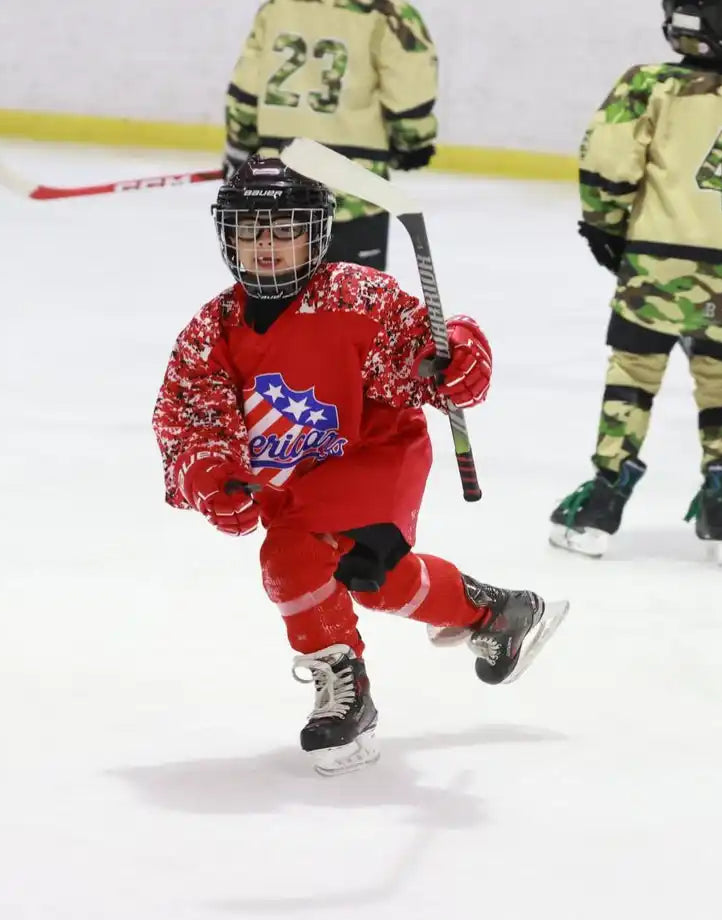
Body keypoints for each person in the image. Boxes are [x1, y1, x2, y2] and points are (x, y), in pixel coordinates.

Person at [152, 156, 568, 776]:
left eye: (284, 229)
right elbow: (191, 418)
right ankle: (495, 612)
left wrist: (452, 359)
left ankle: (345, 696)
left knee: (293, 557)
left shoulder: (356, 297)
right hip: (294, 478)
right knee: (370, 579)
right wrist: (209, 475)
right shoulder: (212, 329)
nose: (266, 246)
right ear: (227, 236)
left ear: (317, 233)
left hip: (374, 453)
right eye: (250, 230)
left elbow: (416, 345)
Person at [548, 0, 722, 559]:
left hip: (655, 264)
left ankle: (602, 502)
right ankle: (721, 496)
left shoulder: (647, 85)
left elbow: (608, 163)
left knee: (633, 375)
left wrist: (607, 232)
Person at [222, 0, 439, 270]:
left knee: (279, 306)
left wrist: (240, 151)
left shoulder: (276, 8)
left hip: (277, 200)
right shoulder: (386, 13)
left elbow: (243, 97)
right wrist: (413, 145)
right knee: (354, 307)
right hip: (355, 194)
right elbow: (409, 98)